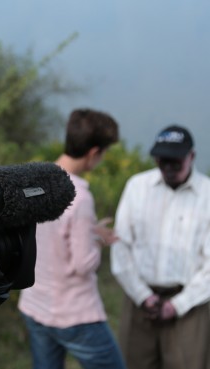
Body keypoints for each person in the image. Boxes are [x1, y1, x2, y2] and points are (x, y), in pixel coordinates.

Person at [18, 108, 126, 369]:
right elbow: (82, 264)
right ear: (93, 153)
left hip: (35, 305)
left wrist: (88, 230)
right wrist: (97, 242)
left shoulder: (33, 179)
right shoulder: (80, 197)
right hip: (75, 313)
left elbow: (47, 234)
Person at [110, 125, 210, 369]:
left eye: (175, 162)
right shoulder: (137, 187)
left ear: (192, 156)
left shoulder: (208, 194)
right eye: (162, 161)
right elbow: (120, 246)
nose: (168, 168)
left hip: (190, 305)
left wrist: (177, 305)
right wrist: (144, 297)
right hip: (140, 301)